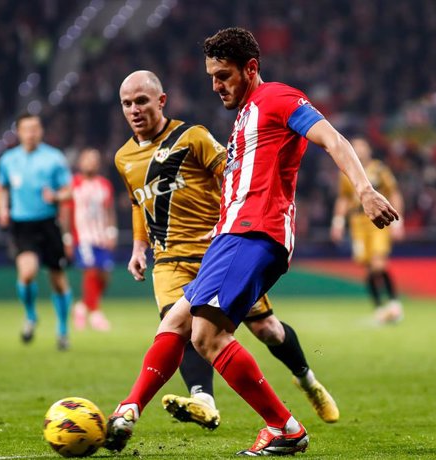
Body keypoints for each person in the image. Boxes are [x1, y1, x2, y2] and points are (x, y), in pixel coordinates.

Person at [104, 28, 398, 456]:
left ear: (251, 69)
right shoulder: (244, 115)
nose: (215, 85)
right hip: (230, 236)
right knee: (176, 325)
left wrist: (365, 190)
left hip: (254, 232)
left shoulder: (277, 99)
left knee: (208, 336)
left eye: (223, 75)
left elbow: (332, 138)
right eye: (211, 76)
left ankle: (285, 428)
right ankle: (128, 408)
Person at [113, 70, 339, 433]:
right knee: (179, 324)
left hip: (218, 252)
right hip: (169, 258)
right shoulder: (124, 157)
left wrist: (232, 220)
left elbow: (233, 173)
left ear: (161, 101)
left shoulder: (193, 137)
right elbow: (138, 203)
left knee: (268, 329)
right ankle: (203, 400)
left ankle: (306, 378)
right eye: (127, 103)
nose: (135, 109)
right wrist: (139, 246)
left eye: (141, 101)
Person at [0, 113, 73, 351]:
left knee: (58, 280)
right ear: (19, 132)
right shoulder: (9, 160)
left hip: (49, 223)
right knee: (27, 273)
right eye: (27, 129)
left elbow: (69, 191)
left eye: (36, 128)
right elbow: (0, 187)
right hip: (22, 225)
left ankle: (62, 330)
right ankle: (30, 315)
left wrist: (56, 196)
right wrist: (2, 209)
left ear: (41, 131)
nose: (32, 133)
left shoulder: (54, 158)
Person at [330, 136, 405, 324]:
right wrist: (338, 223)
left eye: (362, 146)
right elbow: (344, 199)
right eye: (355, 147)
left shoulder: (379, 170)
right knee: (369, 268)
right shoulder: (345, 172)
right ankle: (380, 307)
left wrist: (398, 222)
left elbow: (394, 192)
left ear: (369, 150)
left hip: (378, 222)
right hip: (357, 223)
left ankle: (394, 304)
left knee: (379, 264)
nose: (358, 150)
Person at [64, 148, 117, 332]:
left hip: (102, 237)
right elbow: (66, 212)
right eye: (87, 159)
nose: (91, 163)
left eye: (94, 160)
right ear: (80, 163)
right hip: (83, 237)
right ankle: (95, 313)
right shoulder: (73, 184)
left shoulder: (104, 185)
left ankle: (82, 307)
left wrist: (111, 232)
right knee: (91, 271)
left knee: (105, 276)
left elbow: (110, 210)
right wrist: (67, 237)